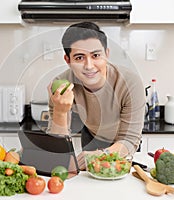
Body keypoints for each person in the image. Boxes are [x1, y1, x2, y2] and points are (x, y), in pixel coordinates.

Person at [46, 22, 145, 170]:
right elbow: (57, 147)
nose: (89, 66)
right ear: (68, 60)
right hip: (92, 136)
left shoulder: (130, 83)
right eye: (79, 58)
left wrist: (100, 156)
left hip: (122, 141)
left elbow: (129, 140)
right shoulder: (62, 85)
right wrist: (60, 112)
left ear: (107, 54)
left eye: (96, 55)